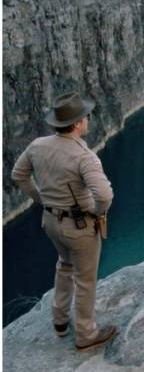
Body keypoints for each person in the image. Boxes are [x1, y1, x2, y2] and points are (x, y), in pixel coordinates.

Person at [11, 91, 117, 351]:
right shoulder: (84, 157)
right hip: (79, 226)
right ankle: (86, 334)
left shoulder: (37, 146)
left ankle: (59, 321)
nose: (88, 120)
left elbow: (18, 175)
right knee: (85, 279)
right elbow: (104, 194)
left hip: (51, 222)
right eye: (87, 116)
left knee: (64, 265)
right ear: (79, 122)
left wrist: (41, 200)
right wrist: (97, 212)